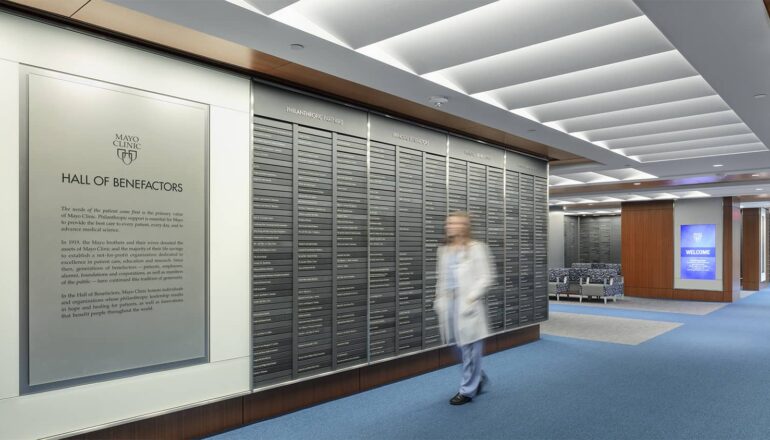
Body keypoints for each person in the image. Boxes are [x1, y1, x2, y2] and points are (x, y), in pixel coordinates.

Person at [434, 211, 493, 405]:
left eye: (455, 223)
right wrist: (439, 298)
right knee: (457, 347)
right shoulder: (444, 250)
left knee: (470, 349)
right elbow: (442, 278)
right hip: (450, 304)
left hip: (467, 303)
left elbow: (486, 277)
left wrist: (471, 298)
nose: (450, 226)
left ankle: (467, 390)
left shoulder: (476, 248)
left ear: (465, 226)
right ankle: (478, 375)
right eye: (448, 222)